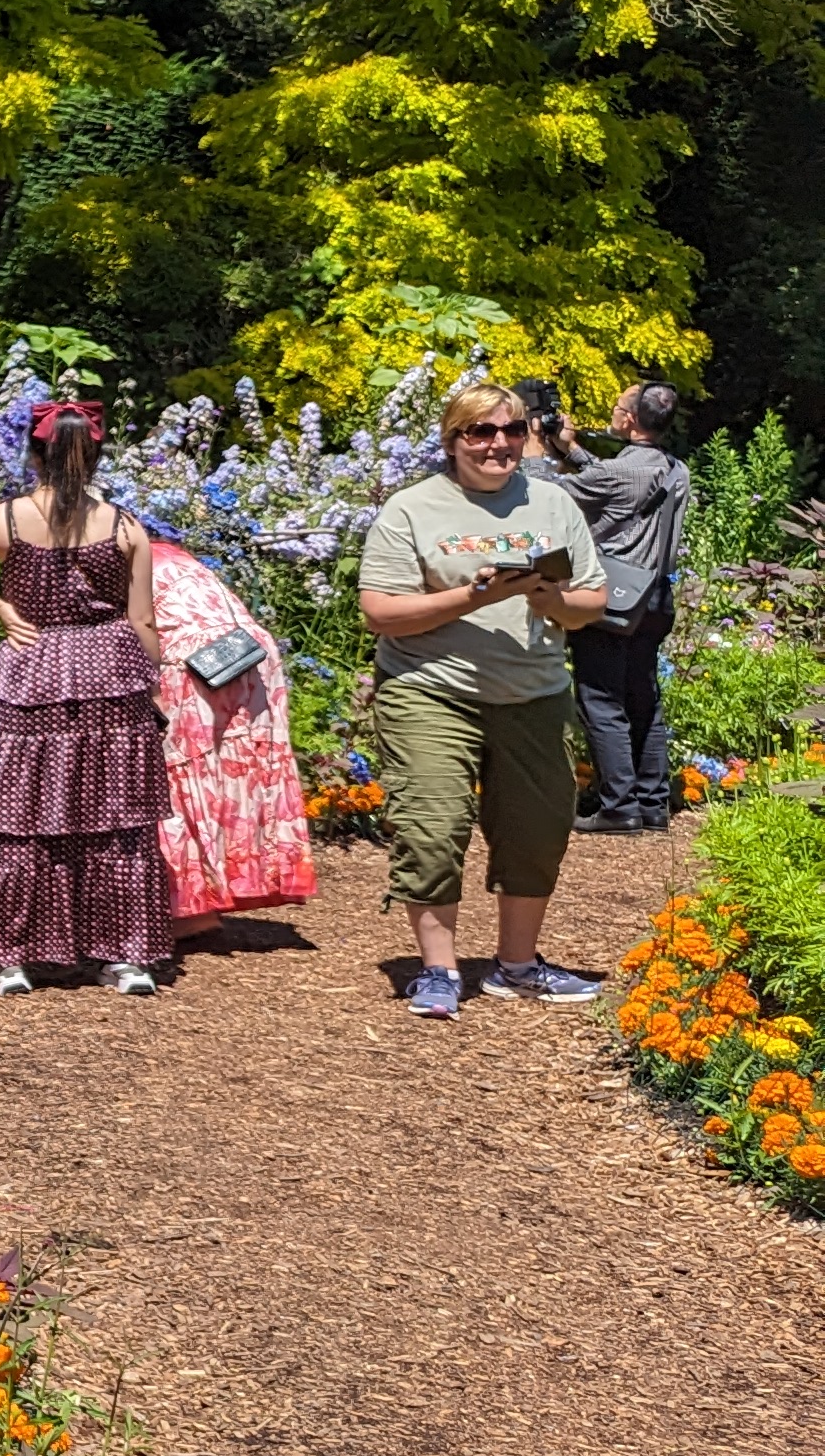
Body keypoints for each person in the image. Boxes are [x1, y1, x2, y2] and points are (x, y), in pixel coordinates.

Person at [356, 381, 612, 1017]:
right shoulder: (412, 509)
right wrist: (478, 596)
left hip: (532, 693)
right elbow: (381, 613)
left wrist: (546, 597)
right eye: (480, 432)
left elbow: (593, 601)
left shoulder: (553, 503)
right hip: (429, 691)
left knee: (534, 830)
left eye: (512, 431)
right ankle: (439, 971)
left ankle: (517, 966)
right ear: (453, 440)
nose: (498, 444)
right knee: (433, 827)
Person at [0, 400, 171, 996]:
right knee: (117, 820)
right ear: (96, 456)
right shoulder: (126, 528)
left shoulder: (2, 521)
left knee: (23, 815)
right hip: (110, 672)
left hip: (34, 672)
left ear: (34, 455)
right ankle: (124, 958)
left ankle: (12, 958)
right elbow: (143, 622)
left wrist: (0, 606)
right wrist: (152, 682)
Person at [540, 380, 690, 833]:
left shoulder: (619, 473)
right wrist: (575, 449)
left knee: (600, 698)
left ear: (628, 419)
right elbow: (614, 477)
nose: (612, 410)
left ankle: (618, 805)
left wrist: (537, 445)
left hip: (616, 597)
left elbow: (553, 492)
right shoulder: (675, 468)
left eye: (617, 406)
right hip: (656, 598)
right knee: (643, 698)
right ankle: (652, 804)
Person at [145, 539, 317, 923]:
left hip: (190, 658)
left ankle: (187, 911)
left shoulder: (107, 554)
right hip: (248, 652)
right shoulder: (167, 552)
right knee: (239, 772)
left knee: (172, 772)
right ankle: (221, 892)